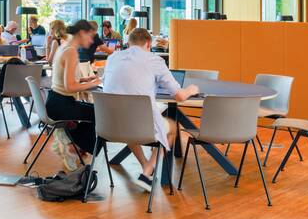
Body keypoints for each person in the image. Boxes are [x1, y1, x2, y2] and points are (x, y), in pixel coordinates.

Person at [102, 27, 199, 191]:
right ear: (148, 44)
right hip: (139, 124)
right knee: (173, 128)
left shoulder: (113, 58)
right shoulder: (154, 60)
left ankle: (146, 169)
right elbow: (179, 96)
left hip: (111, 125)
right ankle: (147, 171)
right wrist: (192, 89)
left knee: (129, 121)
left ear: (128, 43)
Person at [45, 19, 101, 170]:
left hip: (55, 101)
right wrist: (95, 83)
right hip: (61, 105)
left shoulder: (65, 47)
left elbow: (65, 81)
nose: (91, 41)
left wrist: (85, 79)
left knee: (94, 110)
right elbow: (70, 87)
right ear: (82, 33)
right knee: (100, 114)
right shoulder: (71, 52)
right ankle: (72, 146)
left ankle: (71, 142)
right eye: (90, 36)